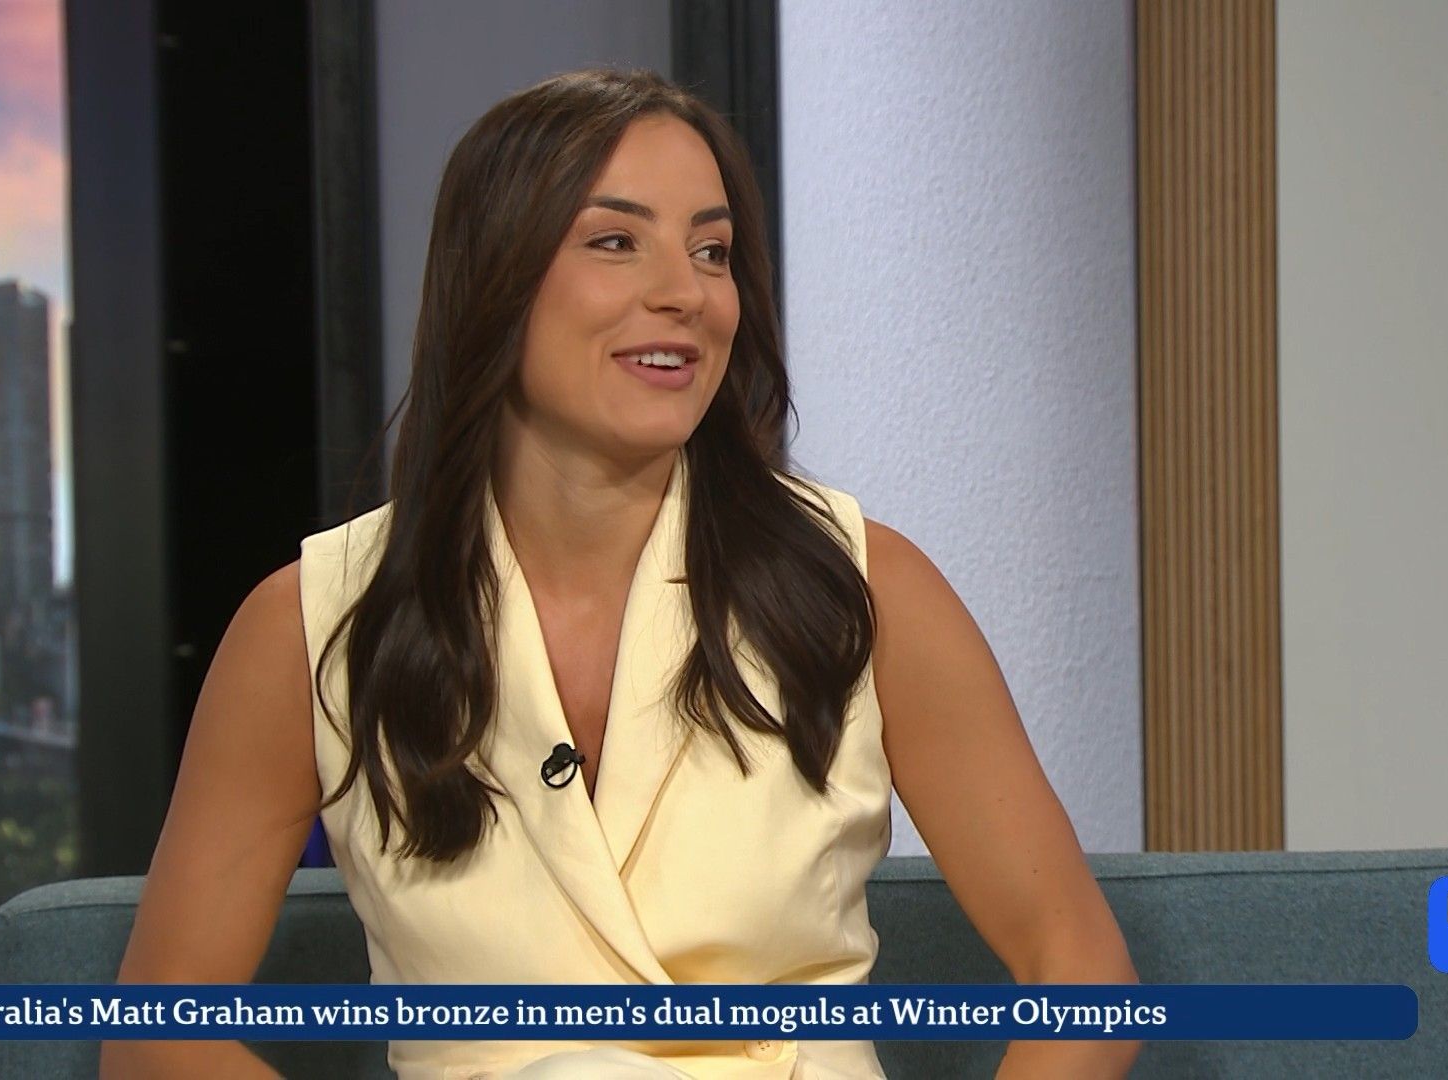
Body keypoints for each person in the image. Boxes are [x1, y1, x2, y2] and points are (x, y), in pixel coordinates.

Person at [102, 67, 1137, 1079]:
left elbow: (1082, 977)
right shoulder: (317, 624)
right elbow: (157, 1035)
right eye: (615, 242)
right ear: (494, 282)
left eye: (712, 252)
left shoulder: (862, 587)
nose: (686, 294)